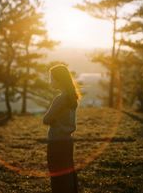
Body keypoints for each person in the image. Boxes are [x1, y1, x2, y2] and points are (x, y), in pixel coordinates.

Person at [43, 64, 81, 193]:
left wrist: (52, 119)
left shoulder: (60, 99)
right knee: (68, 173)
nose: (50, 81)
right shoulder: (72, 97)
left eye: (52, 78)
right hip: (67, 141)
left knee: (57, 175)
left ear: (59, 79)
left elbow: (46, 119)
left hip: (56, 142)